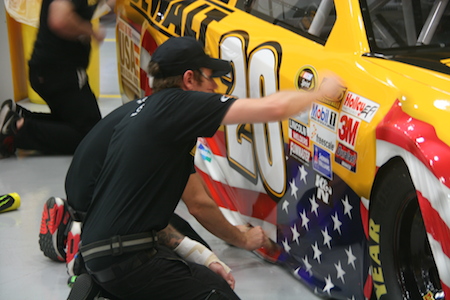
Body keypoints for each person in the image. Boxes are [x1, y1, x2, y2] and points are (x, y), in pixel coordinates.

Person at [75, 36, 343, 300]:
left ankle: (100, 290)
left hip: (100, 254)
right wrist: (319, 92)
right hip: (128, 260)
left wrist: (205, 255)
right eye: (209, 76)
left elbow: (190, 204)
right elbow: (271, 109)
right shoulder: (180, 105)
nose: (215, 85)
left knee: (208, 277)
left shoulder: (146, 114)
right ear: (189, 79)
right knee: (216, 294)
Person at [0, 0, 114, 158]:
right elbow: (59, 20)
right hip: (58, 72)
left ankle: (21, 117)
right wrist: (90, 31)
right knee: (88, 134)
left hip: (53, 70)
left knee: (82, 122)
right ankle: (16, 129)